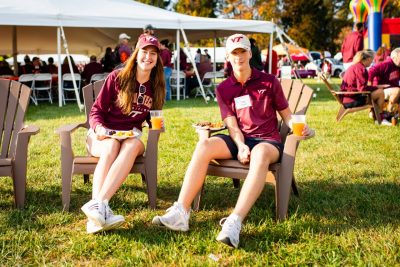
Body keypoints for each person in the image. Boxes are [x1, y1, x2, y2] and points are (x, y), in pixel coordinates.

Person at [152, 33, 311, 248]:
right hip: (240, 139)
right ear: (228, 56)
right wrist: (240, 145)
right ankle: (181, 212)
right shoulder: (224, 88)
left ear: (249, 53)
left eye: (242, 51)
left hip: (267, 141)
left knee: (260, 154)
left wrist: (301, 128)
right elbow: (232, 124)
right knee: (204, 145)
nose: (239, 57)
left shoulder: (269, 81)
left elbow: (287, 116)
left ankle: (234, 222)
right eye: (234, 53)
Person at [81, 34, 166, 234]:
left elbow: (153, 117)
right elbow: (96, 111)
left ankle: (98, 206)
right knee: (112, 145)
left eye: (153, 54)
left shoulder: (156, 86)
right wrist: (100, 129)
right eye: (144, 52)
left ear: (157, 59)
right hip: (102, 135)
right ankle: (100, 207)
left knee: (134, 145)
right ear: (136, 54)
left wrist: (157, 124)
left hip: (129, 136)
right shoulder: (117, 78)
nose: (148, 57)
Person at [340, 50, 388, 125]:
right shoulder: (361, 69)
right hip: (352, 100)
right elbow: (362, 89)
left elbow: (360, 87)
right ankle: (380, 118)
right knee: (380, 92)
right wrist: (377, 87)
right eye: (372, 60)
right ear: (368, 59)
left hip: (346, 98)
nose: (371, 63)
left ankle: (377, 116)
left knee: (377, 91)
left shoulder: (355, 66)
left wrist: (376, 87)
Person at [368, 47, 400, 116]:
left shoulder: (398, 66)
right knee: (397, 90)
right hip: (380, 90)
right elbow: (371, 71)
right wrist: (370, 85)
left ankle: (395, 113)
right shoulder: (386, 64)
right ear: (394, 57)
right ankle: (389, 112)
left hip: (390, 89)